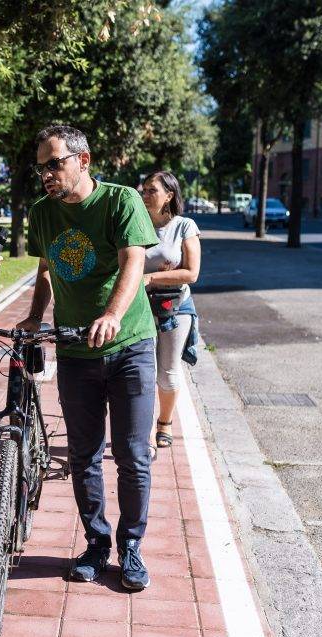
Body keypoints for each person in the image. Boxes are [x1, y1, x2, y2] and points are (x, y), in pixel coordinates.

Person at [17, 125, 159, 591]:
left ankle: (131, 545)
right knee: (83, 455)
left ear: (84, 160)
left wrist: (113, 314)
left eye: (55, 163)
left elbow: (133, 261)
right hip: (76, 348)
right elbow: (44, 269)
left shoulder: (120, 201)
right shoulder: (42, 212)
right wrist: (36, 316)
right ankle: (97, 544)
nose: (47, 174)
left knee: (134, 456)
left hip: (129, 345)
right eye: (41, 167)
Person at [140, 171, 201, 449]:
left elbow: (191, 273)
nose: (145, 195)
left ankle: (164, 423)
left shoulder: (184, 226)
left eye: (152, 190)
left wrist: (152, 278)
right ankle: (141, 428)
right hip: (139, 307)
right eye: (144, 190)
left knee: (168, 371)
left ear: (169, 195)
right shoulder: (136, 223)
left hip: (175, 307)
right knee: (140, 370)